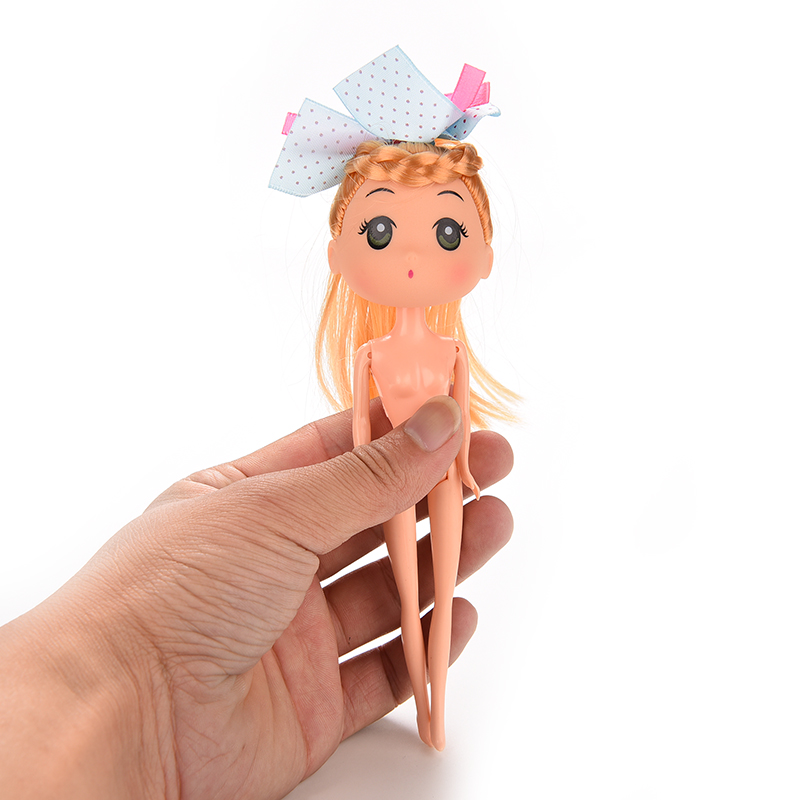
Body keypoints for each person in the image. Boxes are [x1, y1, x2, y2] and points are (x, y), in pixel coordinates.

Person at [0, 396, 513, 799]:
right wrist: (379, 464)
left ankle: (433, 714)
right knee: (411, 589)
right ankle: (428, 710)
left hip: (446, 477)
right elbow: (363, 423)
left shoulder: (448, 350)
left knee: (434, 586)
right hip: (415, 476)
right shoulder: (374, 352)